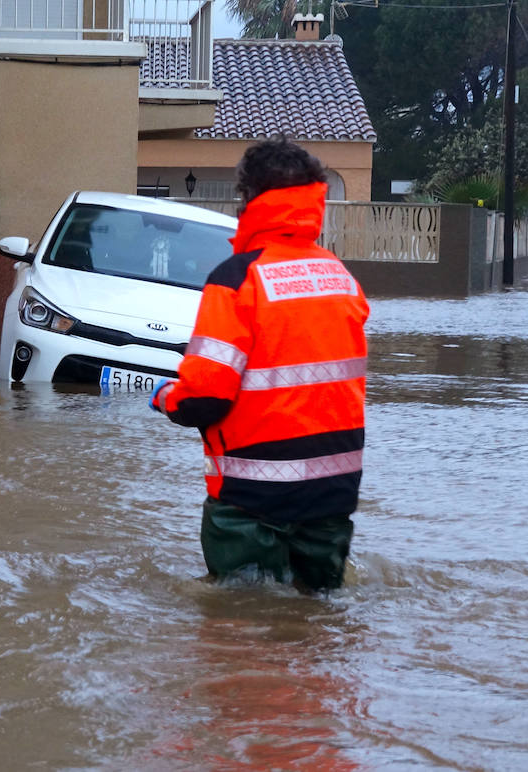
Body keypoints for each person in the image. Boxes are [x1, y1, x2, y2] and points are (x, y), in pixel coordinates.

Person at [149, 137, 369, 592]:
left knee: (240, 627)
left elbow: (205, 400)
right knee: (319, 621)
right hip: (334, 491)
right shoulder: (340, 277)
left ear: (249, 199)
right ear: (314, 199)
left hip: (251, 497)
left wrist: (166, 398)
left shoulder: (236, 279)